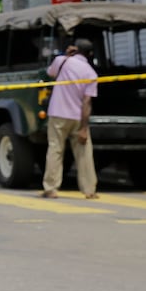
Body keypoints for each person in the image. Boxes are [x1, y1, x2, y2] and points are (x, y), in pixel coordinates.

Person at [42, 39, 98, 200]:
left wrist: (65, 56)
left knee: (55, 149)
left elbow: (50, 73)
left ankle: (51, 188)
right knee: (84, 152)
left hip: (58, 113)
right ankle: (89, 189)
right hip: (77, 117)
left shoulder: (61, 61)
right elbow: (87, 102)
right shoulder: (91, 73)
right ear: (90, 54)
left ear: (75, 49)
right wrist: (84, 128)